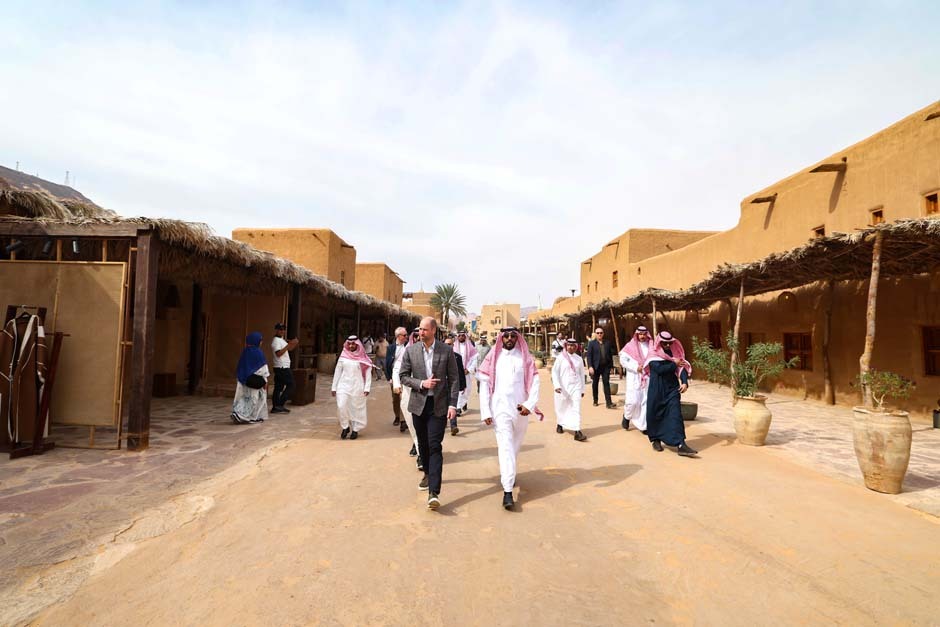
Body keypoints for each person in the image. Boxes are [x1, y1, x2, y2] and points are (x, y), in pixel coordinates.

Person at [477, 327, 542, 510]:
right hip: (500, 409)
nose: (509, 338)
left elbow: (535, 382)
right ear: (501, 338)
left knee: (514, 447)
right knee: (505, 447)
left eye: (513, 336)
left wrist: (529, 405)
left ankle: (509, 474)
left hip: (520, 410)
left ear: (517, 338)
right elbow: (484, 387)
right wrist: (486, 412)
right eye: (506, 336)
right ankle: (507, 491)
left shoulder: (525, 358)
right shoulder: (493, 358)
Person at [399, 316, 459, 511]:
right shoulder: (411, 351)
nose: (420, 332)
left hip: (438, 406)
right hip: (418, 405)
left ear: (433, 330)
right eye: (419, 330)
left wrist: (452, 405)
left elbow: (454, 379)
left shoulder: (446, 351)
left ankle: (434, 492)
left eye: (424, 329)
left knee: (434, 445)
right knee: (422, 445)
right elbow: (403, 376)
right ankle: (426, 471)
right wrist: (421, 384)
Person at [644, 331, 698, 457]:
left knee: (675, 415)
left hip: (672, 389)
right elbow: (659, 369)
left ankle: (681, 444)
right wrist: (674, 363)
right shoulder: (653, 354)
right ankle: (656, 439)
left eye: (669, 343)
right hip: (657, 389)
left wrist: (684, 382)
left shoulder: (674, 353)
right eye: (665, 343)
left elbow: (682, 366)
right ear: (659, 342)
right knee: (655, 414)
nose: (668, 345)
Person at [331, 336, 373, 440]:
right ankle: (345, 427)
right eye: (349, 344)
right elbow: (337, 371)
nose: (351, 345)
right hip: (343, 386)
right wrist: (334, 387)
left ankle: (355, 429)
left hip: (357, 386)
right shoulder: (343, 356)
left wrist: (367, 387)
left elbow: (368, 373)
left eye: (353, 344)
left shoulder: (363, 358)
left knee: (356, 408)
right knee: (341, 406)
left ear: (357, 344)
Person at [393, 328, 424, 469]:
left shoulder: (433, 352)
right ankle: (420, 450)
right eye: (416, 336)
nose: (419, 338)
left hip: (426, 395)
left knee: (423, 426)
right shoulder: (407, 352)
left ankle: (421, 455)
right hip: (409, 394)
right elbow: (396, 369)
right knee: (412, 425)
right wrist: (397, 384)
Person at [552, 338, 586, 441]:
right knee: (561, 407)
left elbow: (581, 374)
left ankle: (577, 431)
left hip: (575, 387)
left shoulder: (579, 359)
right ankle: (560, 423)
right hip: (563, 387)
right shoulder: (560, 358)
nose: (571, 347)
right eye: (569, 345)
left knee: (576, 408)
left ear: (576, 347)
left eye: (573, 346)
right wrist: (557, 385)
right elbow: (555, 372)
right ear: (566, 346)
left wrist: (582, 390)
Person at [619, 325, 652, 431]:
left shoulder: (650, 346)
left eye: (644, 334)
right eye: (640, 334)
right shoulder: (630, 346)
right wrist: (635, 368)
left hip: (647, 377)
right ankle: (626, 417)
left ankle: (643, 426)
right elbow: (623, 360)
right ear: (637, 334)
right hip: (634, 377)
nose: (642, 336)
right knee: (632, 401)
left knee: (645, 401)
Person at [232, 332, 270, 424]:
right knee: (255, 399)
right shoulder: (258, 352)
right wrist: (265, 380)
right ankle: (251, 417)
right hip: (256, 381)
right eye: (260, 340)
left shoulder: (245, 351)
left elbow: (241, 366)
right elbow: (262, 368)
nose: (261, 342)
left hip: (245, 380)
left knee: (244, 398)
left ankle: (239, 413)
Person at [270, 323, 298, 413]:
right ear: (276, 330)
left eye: (283, 329)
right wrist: (288, 344)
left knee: (278, 387)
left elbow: (289, 349)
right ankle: (280, 404)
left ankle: (276, 406)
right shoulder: (275, 341)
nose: (282, 331)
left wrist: (293, 343)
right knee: (291, 385)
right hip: (282, 367)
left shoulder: (281, 340)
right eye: (280, 329)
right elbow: (278, 354)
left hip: (282, 366)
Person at [586, 327, 616, 409]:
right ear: (595, 334)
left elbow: (610, 355)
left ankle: (609, 403)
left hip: (605, 367)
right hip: (595, 367)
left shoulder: (607, 343)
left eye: (601, 333)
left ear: (603, 334)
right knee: (595, 384)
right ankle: (595, 400)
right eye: (598, 333)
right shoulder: (592, 343)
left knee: (606, 384)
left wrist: (611, 367)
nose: (599, 334)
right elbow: (589, 356)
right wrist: (590, 366)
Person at [444, 336, 467, 436]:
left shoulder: (457, 357)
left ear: (453, 345)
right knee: (442, 406)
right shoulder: (438, 356)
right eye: (446, 344)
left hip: (453, 385)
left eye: (450, 344)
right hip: (441, 386)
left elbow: (461, 372)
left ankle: (453, 426)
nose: (448, 346)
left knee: (452, 405)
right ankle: (442, 424)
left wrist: (463, 385)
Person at [385, 328, 408, 427]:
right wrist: (389, 377)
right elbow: (387, 364)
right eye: (404, 335)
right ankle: (397, 416)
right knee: (396, 398)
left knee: (404, 397)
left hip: (406, 376)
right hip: (394, 377)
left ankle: (403, 420)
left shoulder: (408, 346)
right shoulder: (391, 348)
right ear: (398, 336)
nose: (406, 337)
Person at [452, 330, 478, 413]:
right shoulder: (454, 347)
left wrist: (469, 369)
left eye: (463, 336)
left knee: (466, 390)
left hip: (466, 372)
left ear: (465, 336)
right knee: (457, 389)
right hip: (456, 372)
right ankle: (458, 407)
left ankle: (463, 403)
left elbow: (474, 359)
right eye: (459, 336)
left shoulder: (470, 347)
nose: (461, 337)